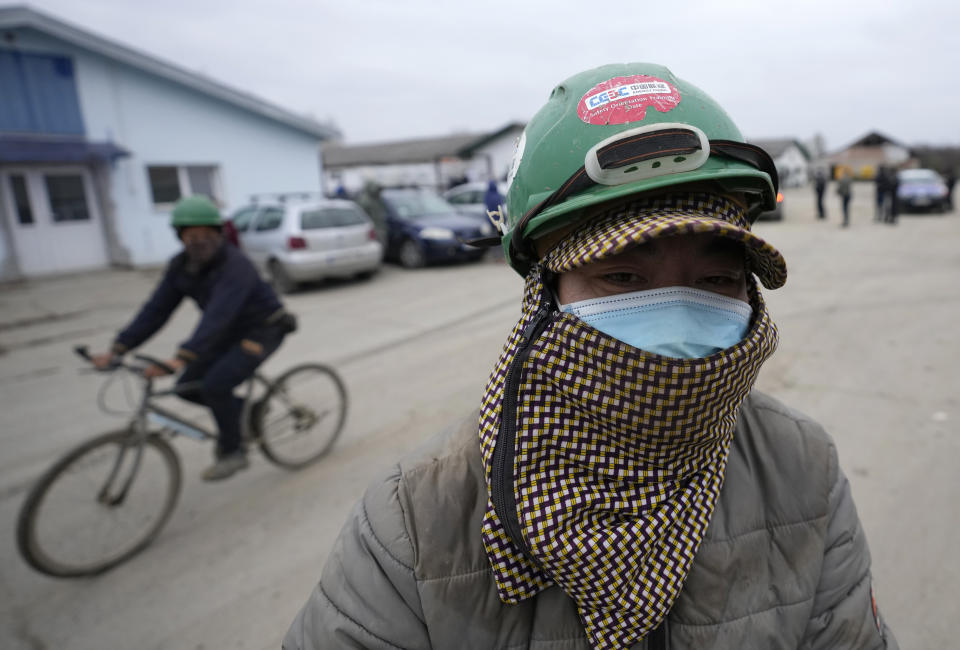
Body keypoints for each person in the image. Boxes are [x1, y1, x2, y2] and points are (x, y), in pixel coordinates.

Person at [284, 63, 897, 649]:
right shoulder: (417, 519)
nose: (679, 318)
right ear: (543, 296)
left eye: (716, 281)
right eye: (624, 277)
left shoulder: (802, 466)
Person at [91, 196, 295, 481]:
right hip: (226, 332)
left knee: (215, 385)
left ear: (218, 234)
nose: (199, 242)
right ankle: (243, 412)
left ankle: (233, 452)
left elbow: (217, 316)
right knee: (186, 387)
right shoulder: (181, 266)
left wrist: (180, 357)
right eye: (191, 236)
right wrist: (119, 347)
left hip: (262, 330)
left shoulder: (236, 265)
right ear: (180, 237)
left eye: (206, 235)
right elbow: (156, 310)